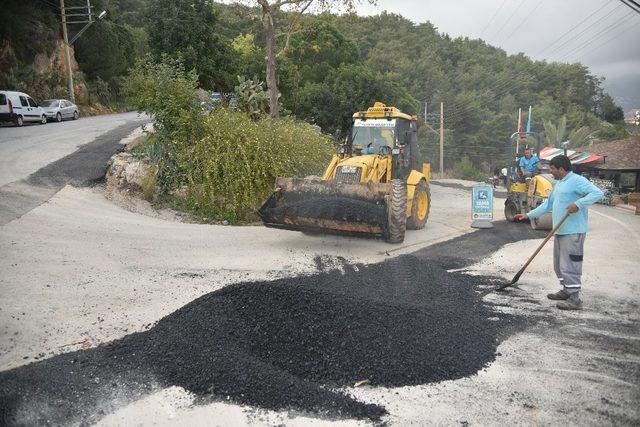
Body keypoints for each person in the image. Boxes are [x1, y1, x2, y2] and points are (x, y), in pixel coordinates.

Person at [514, 155, 603, 310]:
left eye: (553, 169)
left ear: (561, 169)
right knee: (559, 265)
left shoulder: (577, 180)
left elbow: (597, 193)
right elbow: (548, 205)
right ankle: (566, 290)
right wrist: (528, 215)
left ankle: (575, 299)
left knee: (570, 264)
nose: (551, 172)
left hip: (574, 231)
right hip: (560, 231)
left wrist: (578, 204)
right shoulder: (559, 183)